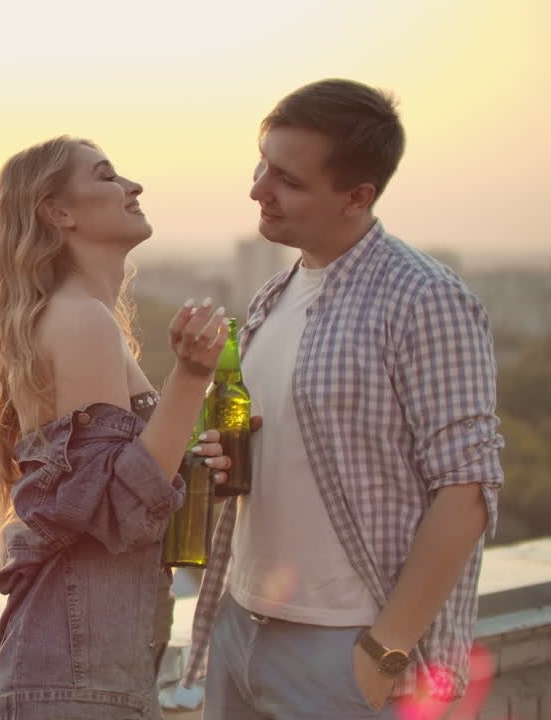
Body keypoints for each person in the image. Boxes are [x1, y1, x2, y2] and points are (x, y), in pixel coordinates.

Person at [186, 78, 504, 718]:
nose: (258, 189)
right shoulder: (272, 296)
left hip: (344, 648)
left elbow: (468, 489)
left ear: (358, 196)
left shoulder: (423, 298)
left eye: (288, 180)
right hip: (240, 624)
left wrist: (382, 654)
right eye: (262, 165)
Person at [0, 135, 233, 720]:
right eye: (107, 176)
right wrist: (190, 377)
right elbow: (118, 510)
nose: (133, 186)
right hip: (80, 676)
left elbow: (102, 493)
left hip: (88, 671)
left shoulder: (79, 317)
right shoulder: (82, 321)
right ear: (58, 212)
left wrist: (191, 454)